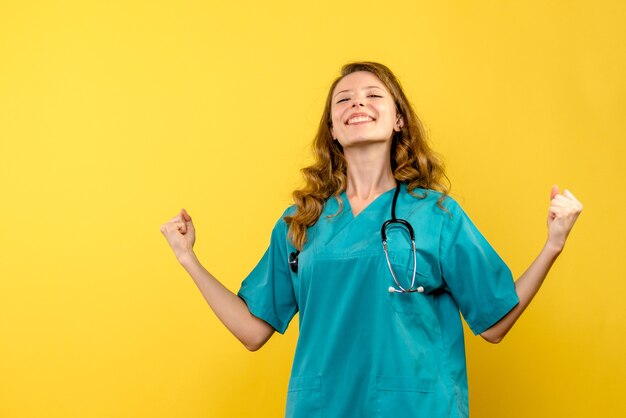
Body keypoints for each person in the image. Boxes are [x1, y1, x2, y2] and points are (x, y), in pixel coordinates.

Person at [160, 62, 583, 418]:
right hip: (323, 408)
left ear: (398, 119)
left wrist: (552, 246)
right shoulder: (300, 221)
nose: (357, 103)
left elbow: (495, 321)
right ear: (332, 129)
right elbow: (253, 330)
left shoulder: (436, 214)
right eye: (343, 99)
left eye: (373, 95)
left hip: (416, 408)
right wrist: (188, 259)